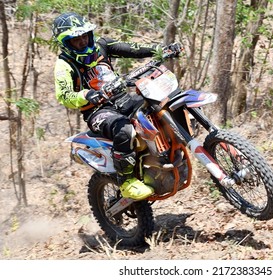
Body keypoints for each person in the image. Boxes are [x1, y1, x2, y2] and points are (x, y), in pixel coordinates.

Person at [52, 12, 180, 201]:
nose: (82, 41)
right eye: (76, 40)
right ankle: (126, 181)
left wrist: (161, 49)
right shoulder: (64, 65)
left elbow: (133, 48)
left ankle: (167, 152)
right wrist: (87, 94)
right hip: (98, 111)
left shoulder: (101, 46)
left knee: (161, 100)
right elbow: (64, 95)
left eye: (84, 36)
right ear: (66, 43)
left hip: (123, 99)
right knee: (125, 131)